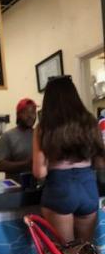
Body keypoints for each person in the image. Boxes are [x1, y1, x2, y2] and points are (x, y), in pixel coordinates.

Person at [33, 75, 105, 243]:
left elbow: (39, 172)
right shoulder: (90, 122)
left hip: (60, 190)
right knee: (85, 251)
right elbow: (101, 162)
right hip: (88, 189)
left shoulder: (44, 127)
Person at [0, 98, 37, 182]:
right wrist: (26, 164)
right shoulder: (7, 136)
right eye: (26, 112)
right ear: (18, 115)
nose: (30, 116)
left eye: (33, 112)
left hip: (38, 186)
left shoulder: (39, 135)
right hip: (16, 187)